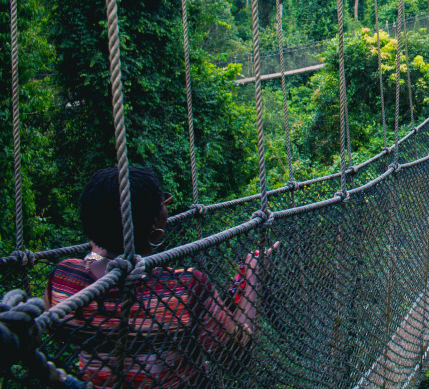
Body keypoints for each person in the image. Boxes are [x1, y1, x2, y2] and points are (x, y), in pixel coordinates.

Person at [46, 166, 275, 388]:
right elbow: (235, 360)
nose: (167, 207)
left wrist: (103, 240)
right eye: (162, 203)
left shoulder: (65, 279)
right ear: (155, 225)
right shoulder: (185, 289)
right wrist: (253, 274)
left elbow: (55, 330)